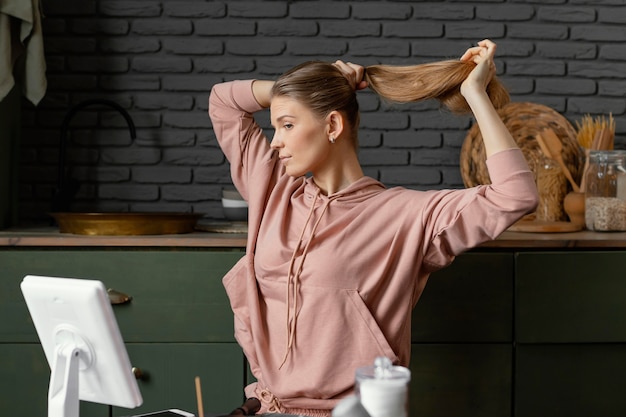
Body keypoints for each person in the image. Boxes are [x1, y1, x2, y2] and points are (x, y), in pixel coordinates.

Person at [208, 39, 538, 416]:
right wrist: (312, 88)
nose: (277, 141)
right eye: (275, 126)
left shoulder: (405, 215)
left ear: (332, 124)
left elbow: (515, 195)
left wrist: (474, 94)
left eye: (286, 125)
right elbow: (224, 101)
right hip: (265, 408)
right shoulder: (273, 187)